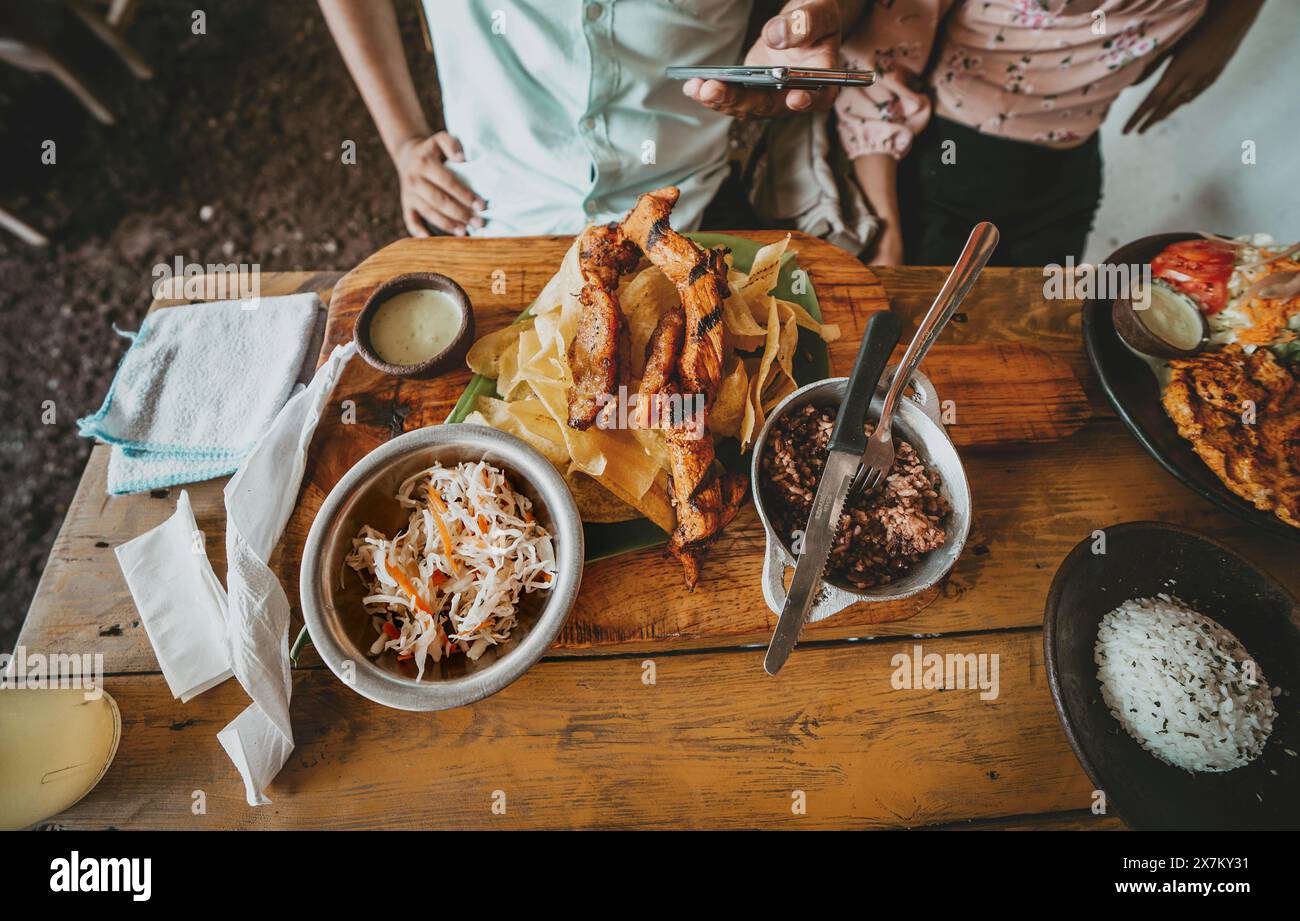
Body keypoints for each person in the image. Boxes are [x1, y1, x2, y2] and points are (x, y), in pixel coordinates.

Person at [319, 0, 862, 239]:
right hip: (490, 213)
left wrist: (816, 17)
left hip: (692, 203)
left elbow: (837, 9)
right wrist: (404, 140)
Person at [834, 0, 1264, 266]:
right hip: (938, 165)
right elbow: (876, 82)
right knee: (918, 350)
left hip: (1064, 182)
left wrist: (1233, 21)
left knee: (1028, 344)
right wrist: (886, 236)